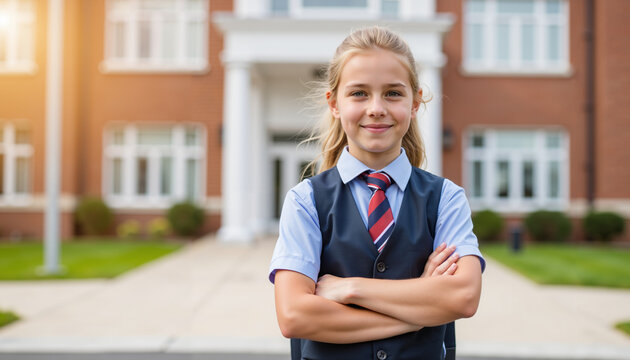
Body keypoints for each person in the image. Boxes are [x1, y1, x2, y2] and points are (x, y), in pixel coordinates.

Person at [269, 26, 485, 360]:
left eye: (393, 93)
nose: (376, 108)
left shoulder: (446, 198)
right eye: (358, 93)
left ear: (414, 102)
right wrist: (420, 310)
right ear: (334, 104)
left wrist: (349, 288)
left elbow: (463, 298)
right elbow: (295, 315)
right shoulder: (305, 200)